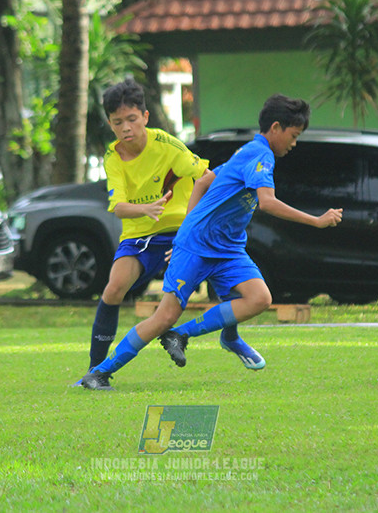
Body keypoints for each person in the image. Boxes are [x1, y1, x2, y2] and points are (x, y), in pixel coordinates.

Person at [80, 94, 342, 391]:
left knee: (259, 298)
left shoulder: (249, 151)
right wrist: (317, 220)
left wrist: (188, 223)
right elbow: (267, 203)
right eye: (293, 136)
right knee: (164, 316)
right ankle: (99, 373)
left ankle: (190, 335)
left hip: (227, 247)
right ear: (276, 127)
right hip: (197, 245)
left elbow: (203, 181)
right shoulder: (260, 155)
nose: (294, 144)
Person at [77, 78, 263, 382]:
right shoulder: (113, 157)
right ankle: (94, 368)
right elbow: (119, 206)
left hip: (181, 232)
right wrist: (147, 210)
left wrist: (215, 216)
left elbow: (206, 177)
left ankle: (230, 338)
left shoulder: (166, 144)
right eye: (118, 122)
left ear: (145, 117)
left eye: (132, 119)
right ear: (111, 125)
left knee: (230, 285)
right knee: (114, 288)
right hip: (139, 236)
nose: (126, 128)